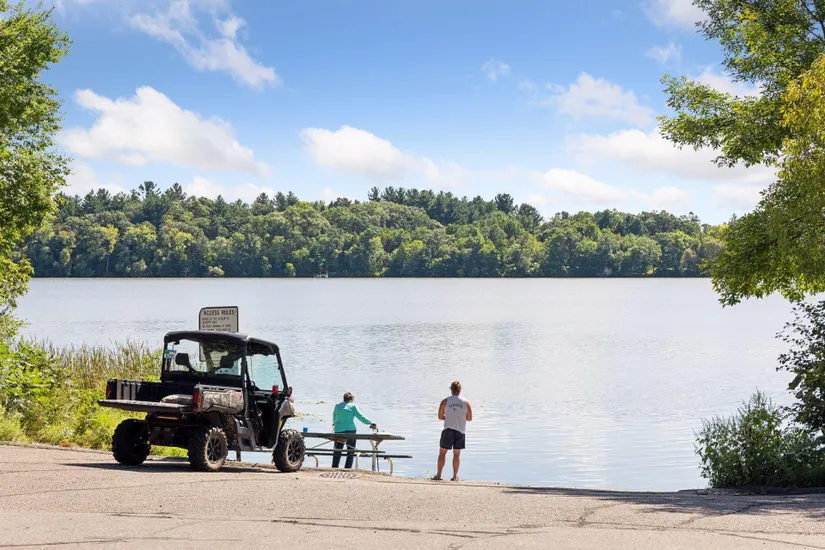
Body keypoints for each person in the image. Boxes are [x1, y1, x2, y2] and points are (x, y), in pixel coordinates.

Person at [433, 380, 472, 481]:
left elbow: (440, 417)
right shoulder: (466, 402)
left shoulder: (445, 401)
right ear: (460, 390)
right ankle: (455, 476)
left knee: (442, 453)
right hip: (460, 431)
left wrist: (449, 417)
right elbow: (469, 418)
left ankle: (438, 475)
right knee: (457, 454)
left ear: (451, 389)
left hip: (448, 429)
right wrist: (460, 417)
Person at [331, 392, 376, 469]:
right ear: (352, 399)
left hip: (338, 430)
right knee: (351, 450)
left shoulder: (337, 406)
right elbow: (360, 417)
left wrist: (335, 424)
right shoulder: (353, 406)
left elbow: (334, 418)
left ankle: (334, 467)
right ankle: (348, 468)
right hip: (350, 430)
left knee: (337, 450)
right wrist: (370, 422)